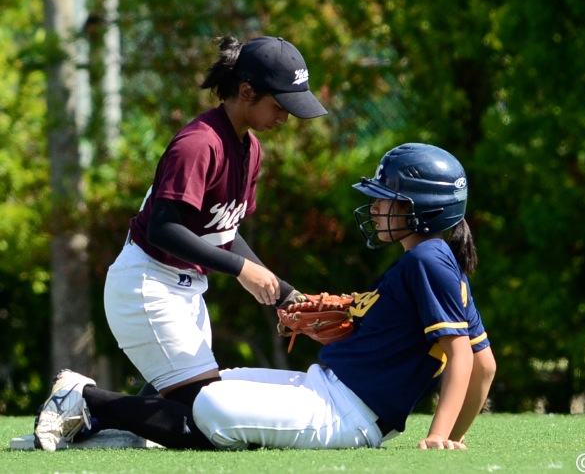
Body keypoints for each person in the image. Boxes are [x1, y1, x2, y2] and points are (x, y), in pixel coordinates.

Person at [34, 143, 496, 451]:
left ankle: (88, 399)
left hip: (348, 415)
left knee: (210, 405)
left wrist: (440, 438)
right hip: (326, 387)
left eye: (386, 198)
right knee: (208, 386)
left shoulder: (427, 260)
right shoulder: (437, 259)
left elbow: (465, 357)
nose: (375, 207)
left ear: (424, 210)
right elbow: (486, 363)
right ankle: (111, 424)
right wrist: (454, 435)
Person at [102, 35, 327, 407]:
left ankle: (90, 419)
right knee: (203, 411)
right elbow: (163, 229)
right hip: (148, 283)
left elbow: (224, 233)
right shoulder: (198, 144)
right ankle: (81, 397)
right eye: (280, 105)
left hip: (186, 291)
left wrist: (288, 296)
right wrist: (241, 270)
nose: (285, 117)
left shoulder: (250, 149)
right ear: (246, 91)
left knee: (179, 409)